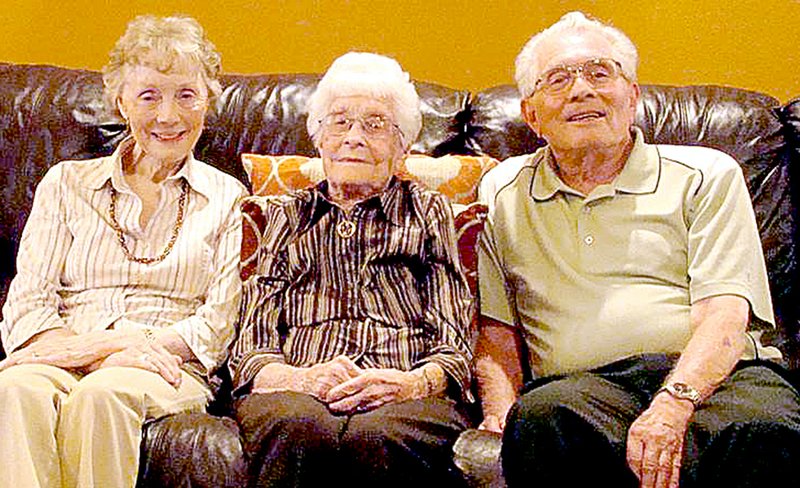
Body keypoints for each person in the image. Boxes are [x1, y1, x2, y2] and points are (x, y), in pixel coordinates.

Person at [475, 11, 800, 488]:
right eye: (559, 79)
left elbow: (724, 313)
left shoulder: (709, 173)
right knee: (543, 420)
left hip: (716, 378)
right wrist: (499, 413)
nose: (581, 90)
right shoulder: (501, 190)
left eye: (600, 72)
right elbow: (496, 328)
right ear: (532, 115)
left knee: (763, 428)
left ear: (633, 97)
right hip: (584, 390)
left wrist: (674, 403)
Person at [0, 15, 246, 488]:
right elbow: (27, 306)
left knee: (103, 396)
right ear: (121, 101)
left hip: (166, 365)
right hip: (67, 350)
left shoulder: (231, 199)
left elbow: (218, 325)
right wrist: (106, 348)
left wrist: (133, 353)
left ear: (209, 101)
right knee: (13, 389)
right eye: (149, 95)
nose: (168, 115)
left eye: (186, 95)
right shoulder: (67, 184)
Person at [229, 51, 473, 488]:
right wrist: (299, 379)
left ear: (403, 148)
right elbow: (252, 343)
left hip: (402, 386)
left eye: (375, 124)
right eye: (339, 122)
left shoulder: (427, 211)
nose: (354, 137)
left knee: (379, 434)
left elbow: (453, 341)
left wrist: (411, 384)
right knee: (298, 422)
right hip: (297, 388)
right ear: (318, 139)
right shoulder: (289, 215)